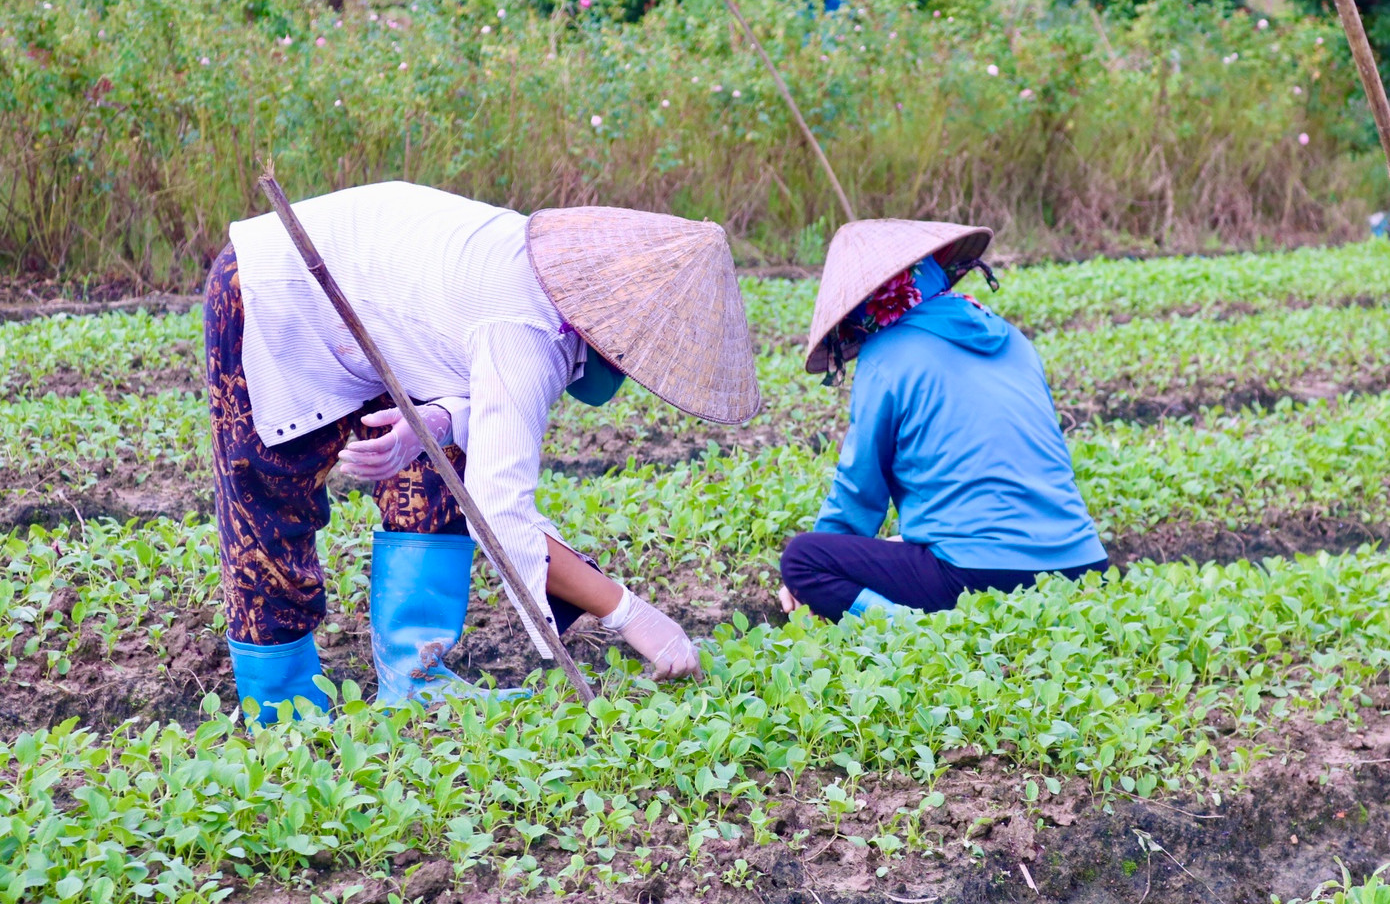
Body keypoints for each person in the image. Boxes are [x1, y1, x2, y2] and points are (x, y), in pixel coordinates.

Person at [204, 181, 761, 718]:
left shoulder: (546, 292)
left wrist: (438, 421)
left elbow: (476, 376)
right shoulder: (526, 329)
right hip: (276, 288)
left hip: (372, 290)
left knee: (434, 473)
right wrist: (629, 613)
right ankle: (280, 709)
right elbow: (499, 515)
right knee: (269, 504)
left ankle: (415, 678)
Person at [779, 219, 1107, 621]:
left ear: (863, 308)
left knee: (803, 558)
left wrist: (806, 580)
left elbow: (858, 491)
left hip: (977, 574)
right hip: (1084, 567)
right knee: (907, 544)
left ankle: (915, 631)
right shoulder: (1014, 339)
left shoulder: (885, 355)